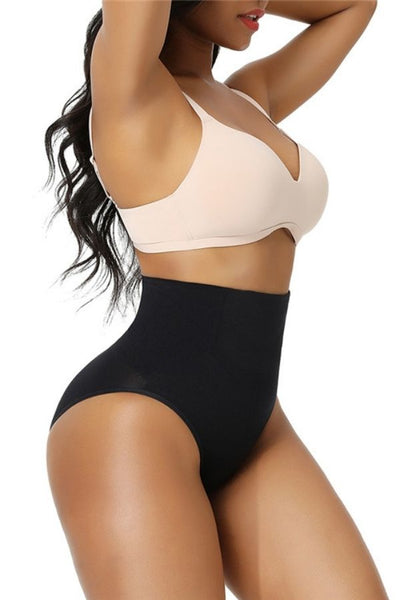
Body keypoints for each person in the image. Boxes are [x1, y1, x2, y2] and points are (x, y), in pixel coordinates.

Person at [45, 1, 387, 598]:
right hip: (135, 422)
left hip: (257, 427)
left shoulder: (250, 98)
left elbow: (356, 4)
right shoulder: (131, 89)